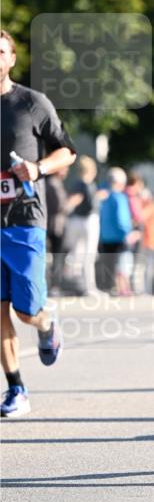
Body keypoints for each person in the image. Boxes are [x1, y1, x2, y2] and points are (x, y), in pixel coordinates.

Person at [1, 29, 76, 417]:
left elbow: (68, 151)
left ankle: (47, 326)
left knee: (26, 311)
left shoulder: (31, 103)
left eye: (0, 52)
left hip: (25, 221)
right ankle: (17, 389)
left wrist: (37, 167)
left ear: (12, 59)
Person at [64, 155, 100, 294]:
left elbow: (72, 201)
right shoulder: (88, 184)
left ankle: (74, 283)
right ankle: (89, 287)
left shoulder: (76, 183)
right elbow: (83, 202)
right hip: (88, 221)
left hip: (75, 221)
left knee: (75, 253)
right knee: (89, 255)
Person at [98, 167, 136, 294]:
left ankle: (108, 287)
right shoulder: (119, 198)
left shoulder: (103, 195)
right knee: (122, 265)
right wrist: (128, 232)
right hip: (119, 237)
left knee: (108, 265)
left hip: (105, 237)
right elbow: (122, 219)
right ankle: (122, 289)